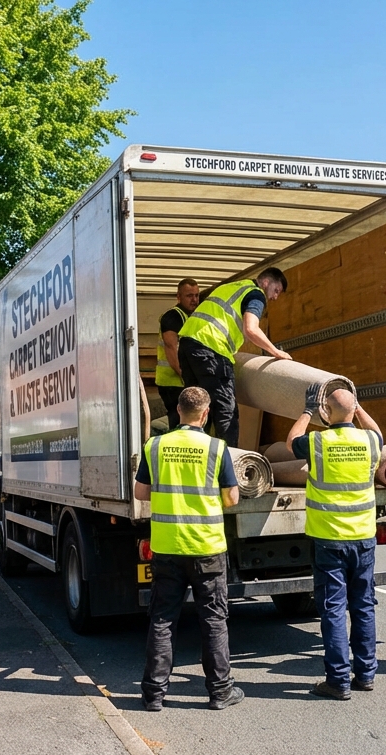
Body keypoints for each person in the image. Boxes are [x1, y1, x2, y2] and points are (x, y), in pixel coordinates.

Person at [133, 386, 245, 711]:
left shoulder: (155, 446)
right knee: (213, 620)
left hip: (168, 547)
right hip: (207, 548)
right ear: (206, 413)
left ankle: (153, 695)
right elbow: (232, 498)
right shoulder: (216, 448)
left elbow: (141, 493)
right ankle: (220, 692)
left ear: (178, 411)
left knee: (163, 620)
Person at [286, 383, 383, 701]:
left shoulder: (316, 442)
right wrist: (357, 407)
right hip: (363, 537)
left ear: (326, 413)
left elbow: (291, 442)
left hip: (329, 538)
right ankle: (366, 675)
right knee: (363, 607)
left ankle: (338, 681)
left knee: (333, 610)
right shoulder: (370, 440)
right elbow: (376, 429)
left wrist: (308, 410)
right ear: (354, 411)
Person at [177, 268, 291, 447]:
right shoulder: (255, 294)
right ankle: (229, 464)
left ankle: (194, 456)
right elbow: (251, 329)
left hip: (187, 345)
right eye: (276, 290)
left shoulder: (231, 287)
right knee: (225, 411)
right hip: (211, 348)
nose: (275, 297)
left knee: (196, 407)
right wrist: (276, 352)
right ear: (266, 282)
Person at [155, 278, 201, 429]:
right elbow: (171, 349)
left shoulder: (190, 317)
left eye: (196, 295)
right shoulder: (173, 317)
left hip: (180, 382)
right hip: (172, 382)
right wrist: (185, 377)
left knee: (185, 422)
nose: (194, 300)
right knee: (179, 421)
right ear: (178, 297)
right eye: (189, 296)